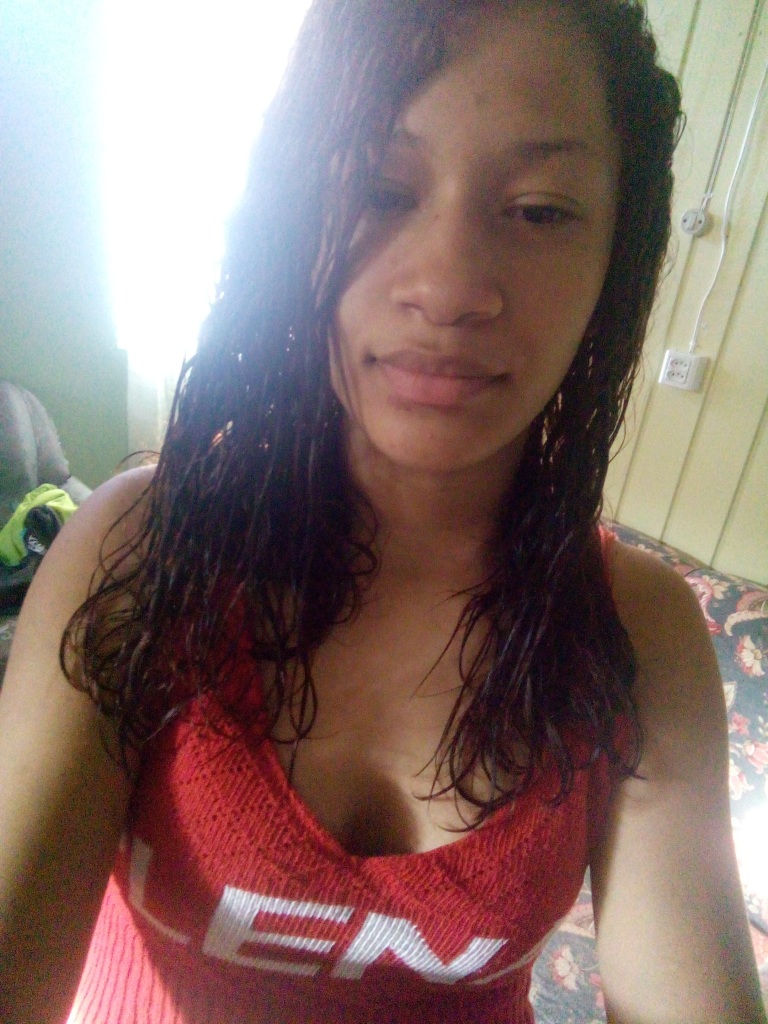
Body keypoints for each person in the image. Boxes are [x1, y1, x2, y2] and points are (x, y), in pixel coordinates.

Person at [0, 0, 765, 1021]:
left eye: (540, 210)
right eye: (377, 187)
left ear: (616, 257)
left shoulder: (637, 632)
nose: (449, 286)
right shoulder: (140, 553)